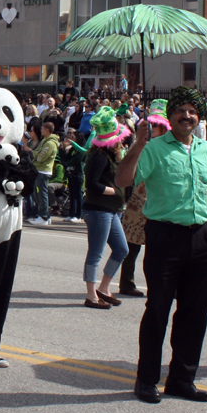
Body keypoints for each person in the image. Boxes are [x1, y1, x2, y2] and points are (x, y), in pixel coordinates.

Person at [116, 86, 207, 404]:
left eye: (191, 111)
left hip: (202, 238)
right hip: (164, 237)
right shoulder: (153, 148)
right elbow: (122, 179)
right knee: (157, 309)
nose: (186, 115)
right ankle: (146, 380)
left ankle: (181, 379)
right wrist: (139, 143)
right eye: (180, 110)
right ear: (170, 116)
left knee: (195, 313)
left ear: (199, 117)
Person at [120, 99, 171, 297]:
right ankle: (126, 283)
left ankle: (161, 285)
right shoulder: (142, 145)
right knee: (132, 246)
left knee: (160, 249)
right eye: (151, 125)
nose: (153, 128)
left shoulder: (169, 146)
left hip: (160, 200)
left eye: (158, 125)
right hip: (139, 201)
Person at [82, 106, 130, 309]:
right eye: (118, 137)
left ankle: (104, 287)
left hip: (111, 210)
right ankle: (91, 295)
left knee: (121, 249)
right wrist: (112, 191)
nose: (121, 141)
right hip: (98, 209)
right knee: (96, 252)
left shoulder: (111, 156)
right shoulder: (100, 156)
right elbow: (91, 183)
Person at [28, 122, 59, 226]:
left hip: (43, 171)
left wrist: (33, 153)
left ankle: (44, 216)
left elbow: (41, 157)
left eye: (42, 129)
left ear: (47, 130)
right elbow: (37, 152)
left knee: (42, 194)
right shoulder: (44, 141)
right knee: (37, 194)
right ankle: (44, 215)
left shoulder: (50, 143)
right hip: (39, 170)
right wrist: (35, 153)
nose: (40, 131)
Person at [60, 129, 85, 222]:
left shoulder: (81, 149)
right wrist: (63, 149)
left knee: (78, 195)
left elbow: (76, 160)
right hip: (70, 173)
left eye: (73, 137)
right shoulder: (72, 149)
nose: (71, 138)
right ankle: (71, 214)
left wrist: (67, 163)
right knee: (72, 195)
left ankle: (78, 215)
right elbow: (65, 158)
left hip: (78, 174)